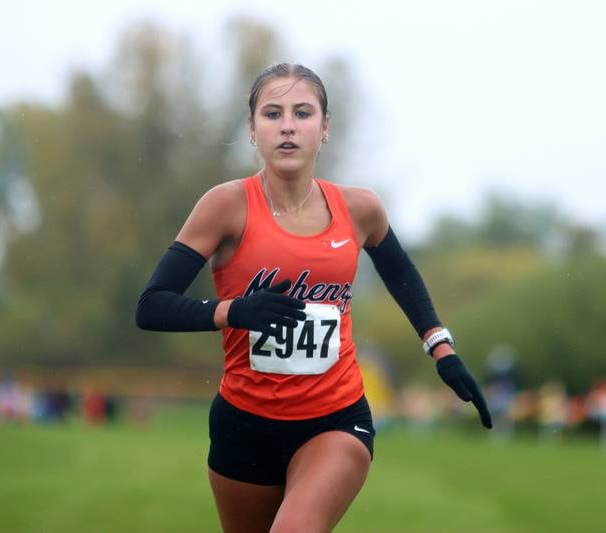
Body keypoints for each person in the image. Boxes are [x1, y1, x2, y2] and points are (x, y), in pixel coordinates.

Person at [136, 62, 491, 533]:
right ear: (252, 130)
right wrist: (234, 311)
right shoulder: (226, 206)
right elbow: (152, 304)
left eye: (302, 113)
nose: (287, 125)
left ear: (324, 129)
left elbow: (401, 272)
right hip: (244, 424)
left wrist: (440, 347)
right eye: (272, 113)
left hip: (336, 418)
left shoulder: (360, 209)